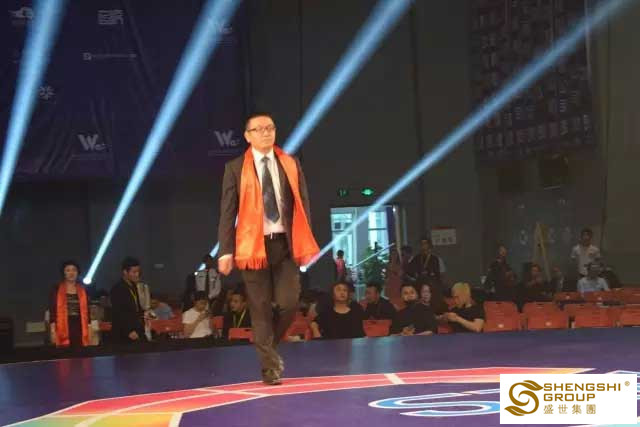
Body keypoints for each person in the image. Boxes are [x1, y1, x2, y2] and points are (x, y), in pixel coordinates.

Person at [217, 112, 319, 385]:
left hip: (285, 244)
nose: (266, 133)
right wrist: (225, 250)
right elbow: (227, 212)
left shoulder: (289, 163)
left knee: (289, 303)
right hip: (252, 246)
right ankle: (270, 368)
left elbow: (303, 204)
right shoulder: (235, 168)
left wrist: (305, 240)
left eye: (270, 128)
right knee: (260, 308)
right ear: (247, 136)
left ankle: (268, 348)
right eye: (259, 129)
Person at [49, 260, 92, 348]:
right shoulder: (56, 289)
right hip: (63, 324)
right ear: (64, 273)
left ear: (77, 272)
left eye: (74, 270)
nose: (71, 273)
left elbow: (87, 311)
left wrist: (90, 328)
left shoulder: (83, 289)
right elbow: (52, 310)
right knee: (65, 352)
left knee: (80, 351)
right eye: (68, 270)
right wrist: (52, 330)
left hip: (80, 324)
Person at [110, 257, 147, 344]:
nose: (137, 274)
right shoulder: (117, 288)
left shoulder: (134, 286)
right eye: (134, 272)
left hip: (137, 330)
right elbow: (117, 312)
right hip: (124, 334)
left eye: (138, 272)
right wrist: (128, 331)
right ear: (125, 272)